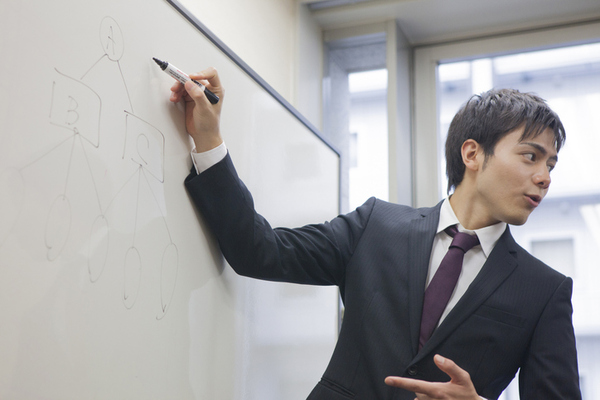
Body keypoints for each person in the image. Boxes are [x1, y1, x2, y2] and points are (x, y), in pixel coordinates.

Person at [169, 68, 581, 399]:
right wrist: (207, 138)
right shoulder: (376, 226)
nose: (544, 177)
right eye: (531, 156)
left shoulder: (544, 290)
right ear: (472, 153)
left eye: (551, 165)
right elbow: (257, 250)